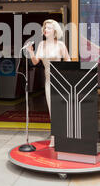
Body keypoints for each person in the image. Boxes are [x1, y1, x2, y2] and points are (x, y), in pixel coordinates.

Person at [27, 19, 71, 147]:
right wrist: (30, 52)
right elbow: (35, 62)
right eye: (45, 28)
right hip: (49, 82)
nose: (46, 30)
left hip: (60, 81)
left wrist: (65, 71)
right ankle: (54, 137)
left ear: (55, 31)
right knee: (52, 110)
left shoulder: (61, 45)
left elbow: (68, 60)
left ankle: (62, 136)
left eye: (49, 28)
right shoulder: (42, 44)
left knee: (61, 110)